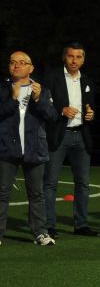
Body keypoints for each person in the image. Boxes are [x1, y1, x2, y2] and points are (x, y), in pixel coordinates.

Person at [1, 51, 57, 246]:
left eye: (21, 62)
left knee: (36, 193)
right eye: (12, 62)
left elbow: (52, 116)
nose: (16, 65)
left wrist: (39, 98)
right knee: (2, 192)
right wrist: (12, 98)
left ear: (31, 68)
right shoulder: (3, 89)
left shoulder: (41, 90)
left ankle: (40, 233)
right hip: (6, 147)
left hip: (34, 148)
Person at [43, 42, 97, 237]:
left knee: (83, 183)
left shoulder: (88, 81)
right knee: (50, 182)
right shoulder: (52, 77)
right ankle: (48, 226)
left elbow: (90, 107)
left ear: (83, 59)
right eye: (71, 56)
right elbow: (42, 105)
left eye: (78, 57)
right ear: (64, 57)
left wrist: (91, 114)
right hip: (59, 134)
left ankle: (81, 225)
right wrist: (61, 110)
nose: (74, 60)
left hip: (81, 135)